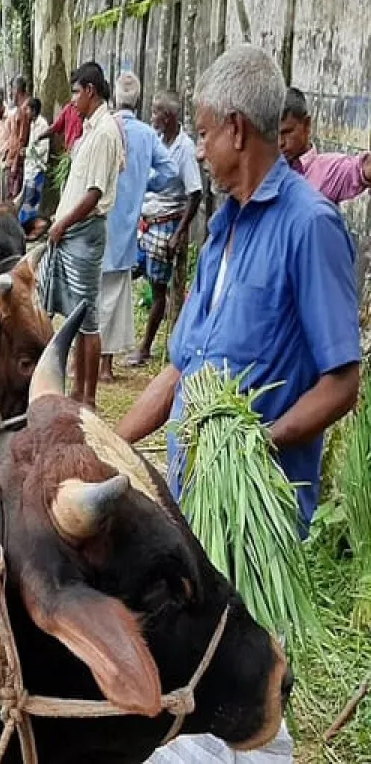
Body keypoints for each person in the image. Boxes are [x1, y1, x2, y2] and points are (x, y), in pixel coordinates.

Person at [125, 44, 361, 764]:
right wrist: (108, 441)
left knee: (248, 680)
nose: (196, 146)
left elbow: (342, 381)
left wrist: (257, 446)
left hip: (254, 514)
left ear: (235, 129)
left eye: (200, 132)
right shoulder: (223, 226)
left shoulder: (310, 226)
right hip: (191, 504)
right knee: (194, 673)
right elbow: (181, 367)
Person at [36, 61, 123, 412]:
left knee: (87, 316)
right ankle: (78, 388)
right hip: (73, 231)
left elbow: (93, 193)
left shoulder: (104, 132)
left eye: (75, 92)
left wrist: (62, 224)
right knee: (76, 310)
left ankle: (88, 396)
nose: (71, 100)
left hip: (83, 233)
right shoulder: (91, 128)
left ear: (90, 91)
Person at [98, 72, 176, 383]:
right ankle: (104, 366)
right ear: (139, 101)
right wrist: (146, 184)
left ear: (114, 99)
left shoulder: (104, 129)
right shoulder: (147, 135)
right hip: (127, 229)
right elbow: (170, 171)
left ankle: (89, 365)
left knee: (92, 297)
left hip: (97, 224)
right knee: (115, 300)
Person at [130, 91, 203, 367]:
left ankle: (145, 347)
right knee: (130, 273)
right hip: (145, 222)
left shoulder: (185, 149)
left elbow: (194, 194)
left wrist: (179, 232)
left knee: (159, 289)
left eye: (156, 112)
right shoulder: (157, 141)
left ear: (168, 117)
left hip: (164, 225)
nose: (152, 116)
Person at [279, 87, 371, 204]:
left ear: (306, 124)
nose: (280, 142)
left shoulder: (329, 171)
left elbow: (357, 169)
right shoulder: (263, 168)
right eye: (273, 134)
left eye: (286, 132)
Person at [19, 97, 49, 235]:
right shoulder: (32, 124)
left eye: (28, 109)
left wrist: (28, 151)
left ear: (34, 110)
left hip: (37, 168)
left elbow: (41, 148)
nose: (26, 112)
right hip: (29, 167)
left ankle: (27, 226)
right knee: (26, 198)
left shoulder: (43, 125)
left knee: (31, 199)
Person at [3, 76, 33, 199]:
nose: (11, 93)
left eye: (12, 89)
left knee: (15, 195)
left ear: (17, 90)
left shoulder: (24, 110)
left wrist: (15, 161)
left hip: (18, 159)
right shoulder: (20, 109)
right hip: (13, 156)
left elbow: (22, 138)